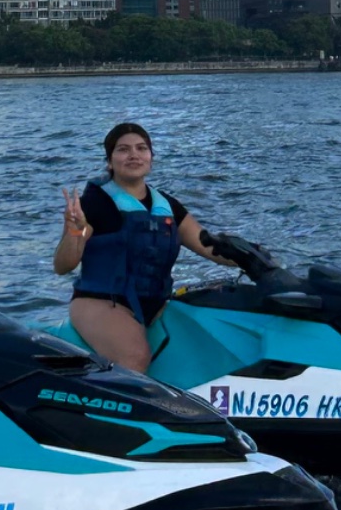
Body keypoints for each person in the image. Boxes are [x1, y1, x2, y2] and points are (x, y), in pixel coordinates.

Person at [53, 121, 232, 372]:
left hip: (155, 304)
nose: (134, 155)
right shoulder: (93, 205)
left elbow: (207, 245)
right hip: (103, 302)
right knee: (135, 358)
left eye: (141, 148)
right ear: (109, 160)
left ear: (151, 158)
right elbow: (63, 266)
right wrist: (74, 230)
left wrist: (253, 258)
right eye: (123, 149)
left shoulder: (166, 205)